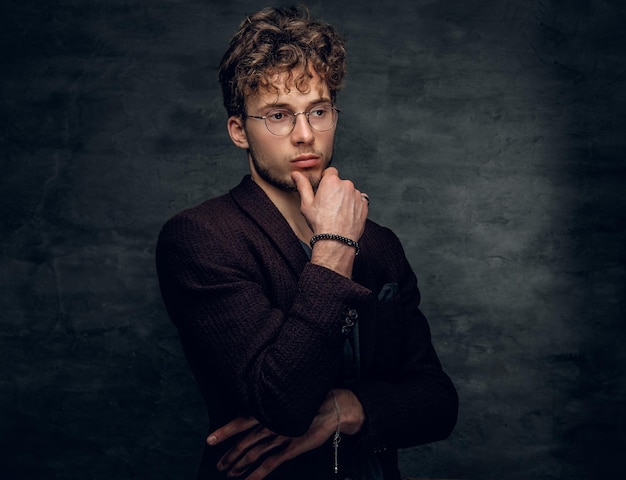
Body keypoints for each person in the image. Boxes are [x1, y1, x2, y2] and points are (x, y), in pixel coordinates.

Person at [155, 6, 458, 480]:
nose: (304, 135)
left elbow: (438, 402)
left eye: (318, 111)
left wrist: (350, 406)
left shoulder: (380, 244)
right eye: (278, 115)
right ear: (239, 131)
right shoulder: (201, 238)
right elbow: (282, 403)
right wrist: (334, 248)